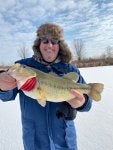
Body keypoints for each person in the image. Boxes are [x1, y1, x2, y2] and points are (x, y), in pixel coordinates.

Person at [0, 23, 92, 150]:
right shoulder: (22, 67)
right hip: (35, 143)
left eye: (54, 41)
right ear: (39, 44)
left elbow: (88, 104)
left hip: (65, 142)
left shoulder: (70, 69)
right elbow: (6, 95)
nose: (49, 45)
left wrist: (82, 102)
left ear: (60, 45)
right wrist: (2, 85)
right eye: (45, 40)